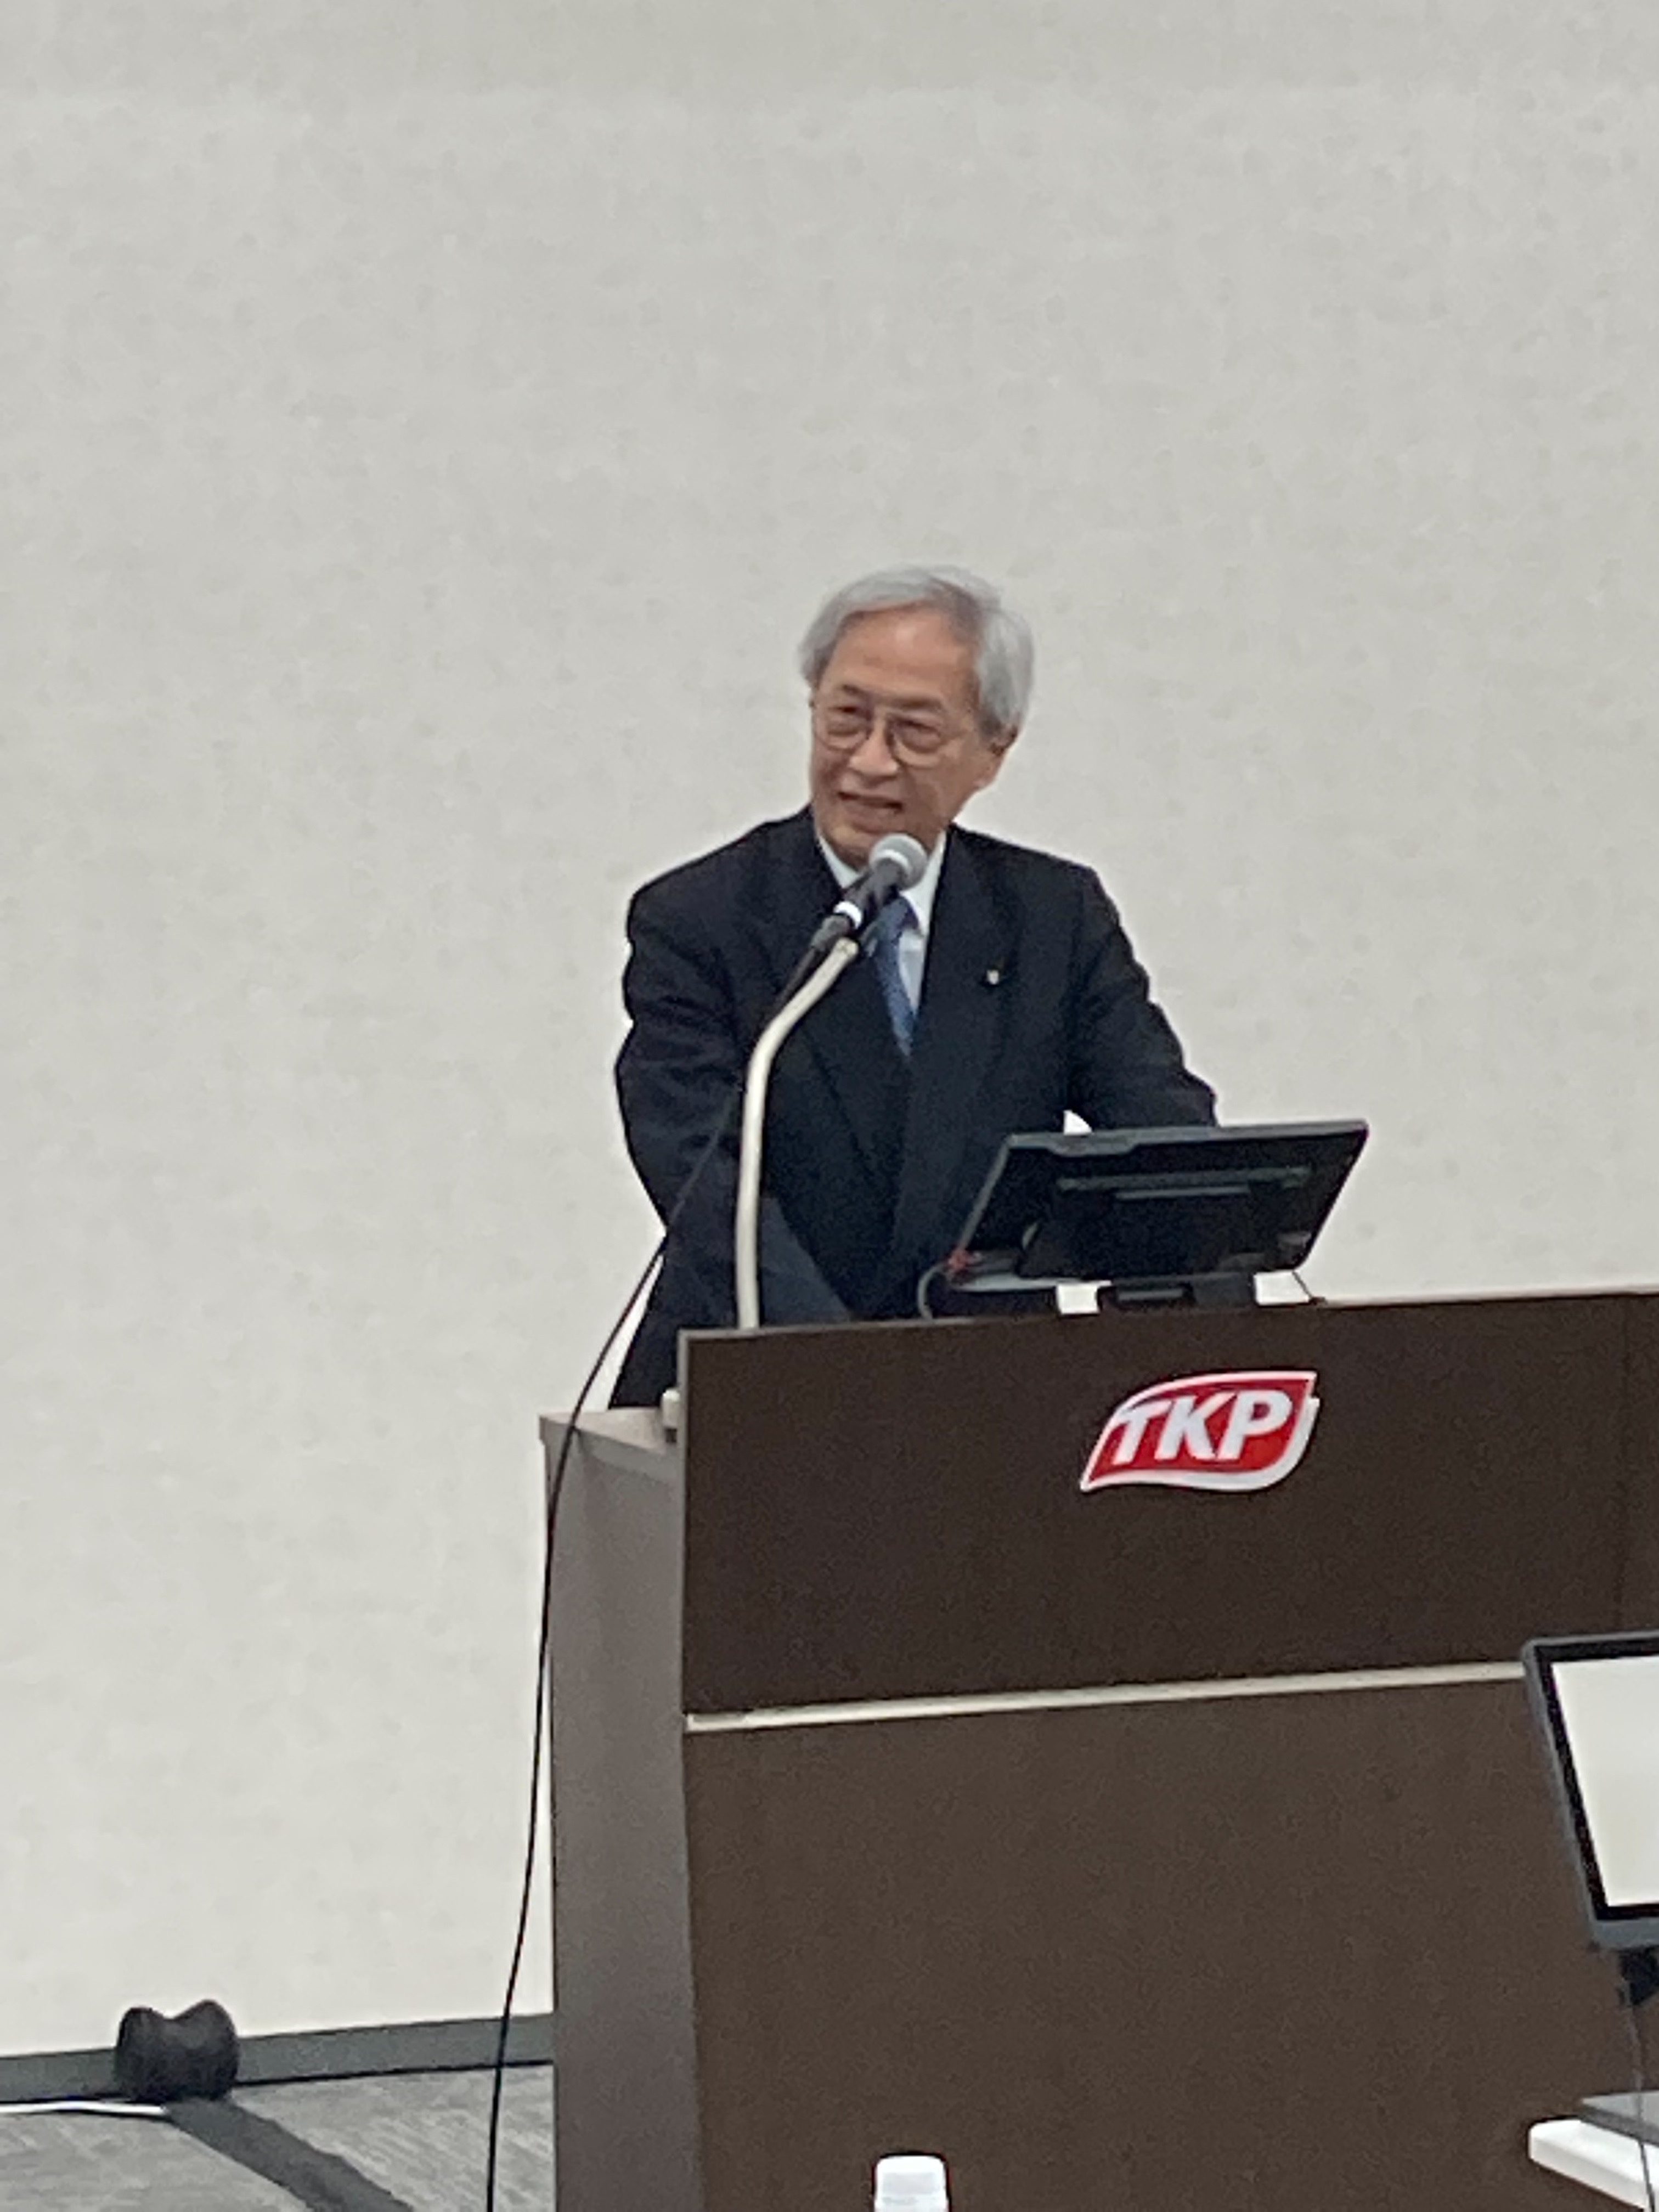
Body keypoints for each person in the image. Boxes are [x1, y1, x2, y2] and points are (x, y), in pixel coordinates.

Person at [609, 565, 1215, 1409]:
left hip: (991, 1394)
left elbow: (1163, 1141)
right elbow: (705, 1183)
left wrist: (1215, 1323)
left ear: (994, 750)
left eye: (915, 732)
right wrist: (852, 1374)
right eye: (846, 718)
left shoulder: (1052, 917)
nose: (868, 762)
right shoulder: (703, 918)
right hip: (758, 1387)